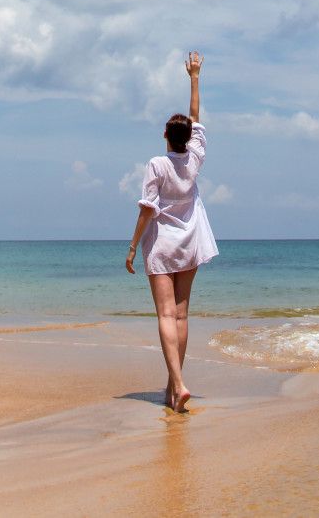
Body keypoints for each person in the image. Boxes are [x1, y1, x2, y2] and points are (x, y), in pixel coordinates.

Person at [124, 51, 219, 413]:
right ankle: (171, 386)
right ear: (187, 137)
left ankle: (178, 384)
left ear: (165, 134)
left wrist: (133, 247)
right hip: (192, 242)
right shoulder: (194, 159)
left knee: (165, 316)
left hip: (163, 246)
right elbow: (196, 118)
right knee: (181, 316)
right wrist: (195, 77)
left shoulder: (157, 164)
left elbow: (148, 209)